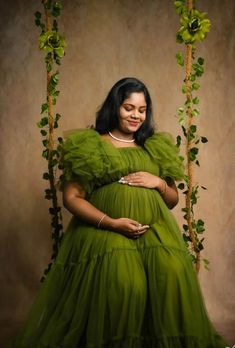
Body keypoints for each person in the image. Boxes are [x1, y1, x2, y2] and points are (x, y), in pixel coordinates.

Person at [11, 77, 229, 347]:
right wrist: (112, 223)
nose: (136, 115)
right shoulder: (91, 144)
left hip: (154, 232)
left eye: (142, 109)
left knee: (172, 274)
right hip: (107, 230)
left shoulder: (153, 147)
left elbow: (172, 200)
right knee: (127, 283)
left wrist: (158, 183)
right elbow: (71, 198)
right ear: (115, 107)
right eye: (129, 108)